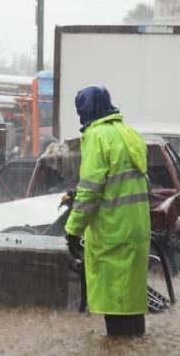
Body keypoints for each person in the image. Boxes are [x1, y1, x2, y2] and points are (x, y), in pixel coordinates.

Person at [64, 86, 151, 336]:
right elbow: (122, 182)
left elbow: (91, 190)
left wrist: (72, 230)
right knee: (132, 302)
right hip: (137, 231)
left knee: (115, 303)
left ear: (86, 110)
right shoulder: (129, 133)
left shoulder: (97, 137)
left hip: (113, 233)